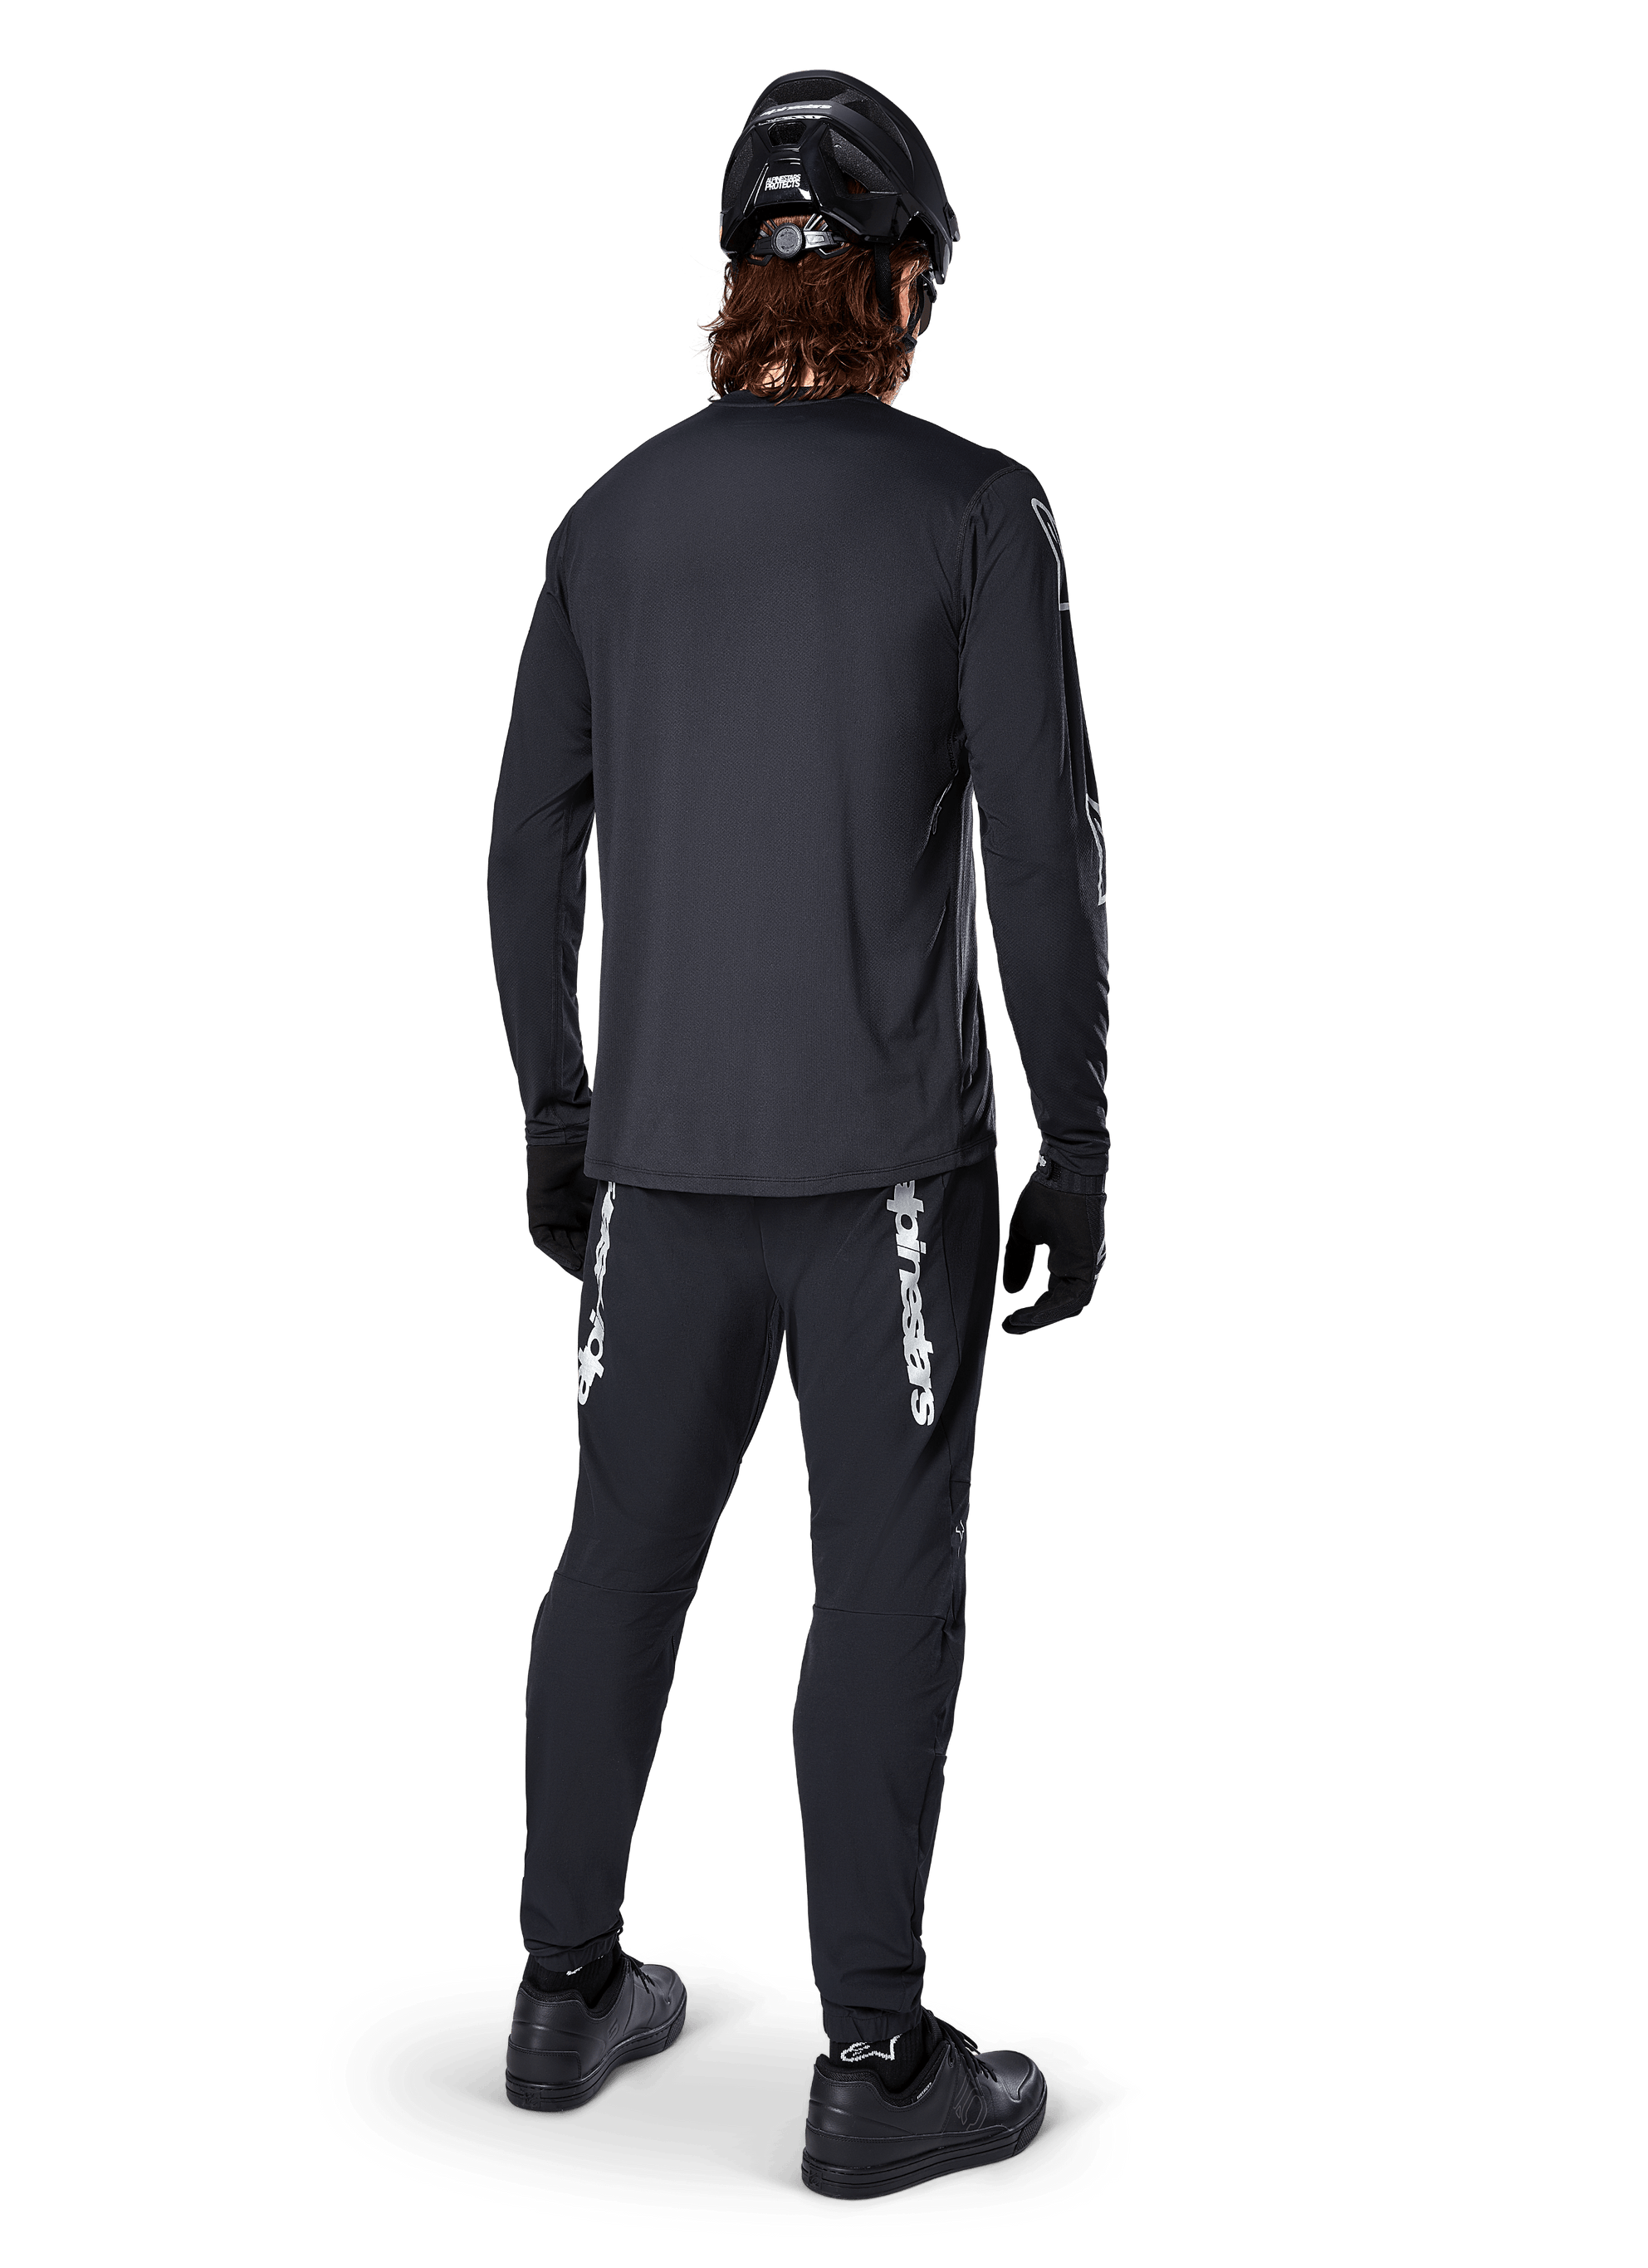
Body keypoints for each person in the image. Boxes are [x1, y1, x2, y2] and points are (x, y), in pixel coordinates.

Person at [486, 66, 1111, 2201]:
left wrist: (555, 1115)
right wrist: (1081, 1143)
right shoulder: (979, 510)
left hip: (656, 1173)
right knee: (882, 1592)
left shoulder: (607, 518)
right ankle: (872, 2066)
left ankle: (560, 2003)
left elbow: (522, 850)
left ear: (742, 278)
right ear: (904, 284)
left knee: (616, 1566)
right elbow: (1042, 864)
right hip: (884, 1184)